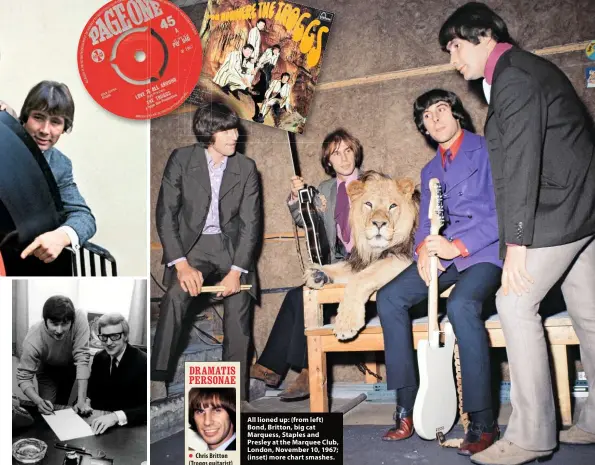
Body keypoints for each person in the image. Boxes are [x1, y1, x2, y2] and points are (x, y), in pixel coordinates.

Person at [439, 3, 595, 464]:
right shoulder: (516, 72)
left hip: (558, 208)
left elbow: (523, 164)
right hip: (581, 205)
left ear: (483, 33)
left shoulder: (514, 77)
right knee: (588, 312)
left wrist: (517, 245)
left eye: (455, 46)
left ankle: (531, 436)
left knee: (513, 300)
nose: (453, 60)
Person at [375, 89, 502, 456]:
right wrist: (421, 252)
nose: (436, 119)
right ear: (424, 129)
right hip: (442, 255)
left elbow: (506, 212)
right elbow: (425, 224)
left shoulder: (489, 148)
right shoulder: (430, 170)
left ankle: (482, 419)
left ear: (456, 113)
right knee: (390, 298)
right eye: (428, 117)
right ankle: (408, 406)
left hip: (483, 253)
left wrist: (457, 247)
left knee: (462, 306)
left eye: (441, 110)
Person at [152, 102, 261, 408]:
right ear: (208, 132)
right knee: (174, 296)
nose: (235, 135)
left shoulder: (246, 167)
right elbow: (165, 215)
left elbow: (251, 225)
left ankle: (235, 399)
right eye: (226, 130)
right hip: (192, 247)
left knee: (239, 315)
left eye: (235, 128)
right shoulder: (181, 159)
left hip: (231, 248)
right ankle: (155, 377)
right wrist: (182, 265)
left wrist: (237, 271)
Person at [250, 128, 364, 400]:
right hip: (335, 267)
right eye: (336, 154)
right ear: (329, 161)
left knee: (303, 296)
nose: (344, 158)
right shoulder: (325, 190)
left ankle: (306, 370)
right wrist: (297, 196)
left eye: (348, 151)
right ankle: (272, 369)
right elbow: (306, 220)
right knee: (295, 296)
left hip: (364, 267)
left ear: (356, 153)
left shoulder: (372, 183)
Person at [0, 81, 96, 276]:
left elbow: (84, 216)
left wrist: (61, 236)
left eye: (55, 122)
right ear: (25, 117)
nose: (45, 130)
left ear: (64, 127)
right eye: (38, 117)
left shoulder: (60, 165)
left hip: (18, 263)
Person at [16, 295, 92, 416]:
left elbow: (82, 359)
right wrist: (38, 402)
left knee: (61, 406)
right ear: (45, 319)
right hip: (46, 370)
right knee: (47, 409)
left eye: (65, 323)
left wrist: (82, 401)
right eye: (54, 324)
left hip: (69, 367)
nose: (59, 330)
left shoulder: (80, 318)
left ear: (72, 321)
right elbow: (24, 377)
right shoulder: (33, 338)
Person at [85, 313, 147, 435]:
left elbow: (145, 409)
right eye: (104, 337)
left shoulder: (143, 361)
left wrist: (115, 417)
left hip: (129, 429)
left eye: (114, 336)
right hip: (98, 424)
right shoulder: (99, 357)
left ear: (125, 336)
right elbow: (92, 391)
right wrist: (85, 401)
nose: (108, 342)